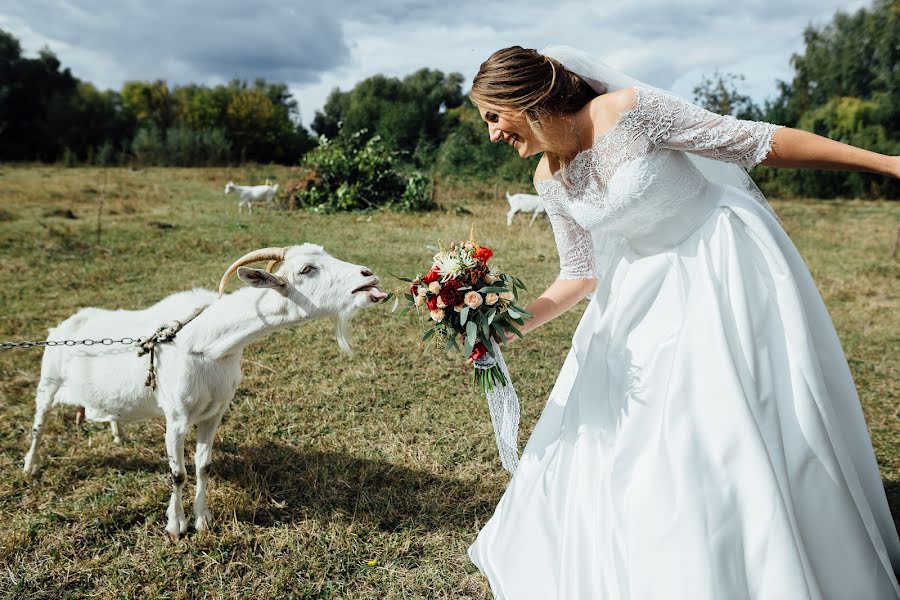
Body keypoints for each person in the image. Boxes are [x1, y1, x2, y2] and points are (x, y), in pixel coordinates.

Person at [466, 45, 900, 599]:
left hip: (720, 262)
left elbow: (756, 141)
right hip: (640, 289)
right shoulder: (549, 176)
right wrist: (505, 325)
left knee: (725, 415)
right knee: (635, 433)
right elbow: (577, 274)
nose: (492, 134)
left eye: (493, 117)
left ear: (524, 99)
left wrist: (886, 164)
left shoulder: (632, 110)